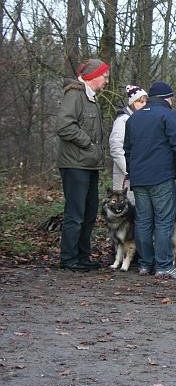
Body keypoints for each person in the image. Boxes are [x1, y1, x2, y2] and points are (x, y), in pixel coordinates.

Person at [124, 81, 176, 280]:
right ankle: (164, 266)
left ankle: (146, 264)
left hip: (139, 179)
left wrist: (131, 172)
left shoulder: (133, 119)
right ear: (167, 98)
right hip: (161, 177)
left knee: (143, 221)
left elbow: (127, 150)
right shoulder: (168, 115)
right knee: (163, 221)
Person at [56, 58, 110, 272]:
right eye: (104, 76)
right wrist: (88, 143)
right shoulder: (74, 95)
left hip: (89, 165)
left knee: (89, 213)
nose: (107, 80)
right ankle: (69, 258)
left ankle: (83, 256)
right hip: (75, 165)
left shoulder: (91, 98)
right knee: (75, 214)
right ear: (93, 76)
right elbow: (64, 126)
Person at [109, 85, 148, 202]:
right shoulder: (123, 120)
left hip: (138, 172)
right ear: (132, 103)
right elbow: (116, 148)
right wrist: (127, 170)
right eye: (140, 102)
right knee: (124, 207)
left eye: (145, 102)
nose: (143, 105)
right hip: (125, 175)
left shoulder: (140, 120)